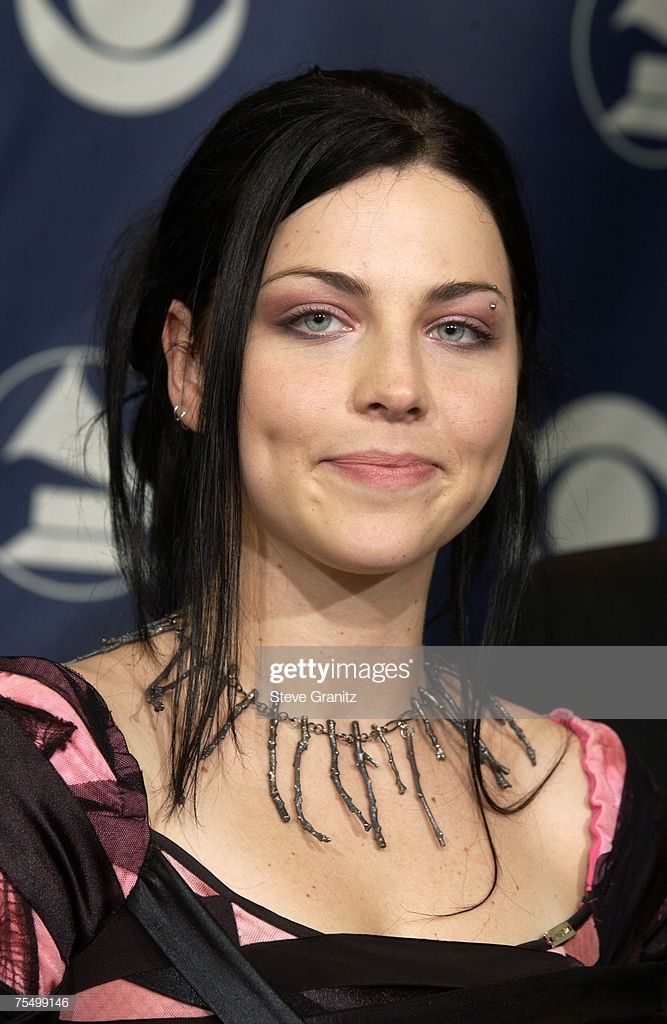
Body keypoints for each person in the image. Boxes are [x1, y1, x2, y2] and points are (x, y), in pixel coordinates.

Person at [0, 67, 665, 1023]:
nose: (397, 385)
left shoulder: (596, 809)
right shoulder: (42, 774)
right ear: (189, 365)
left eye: (457, 328)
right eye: (318, 319)